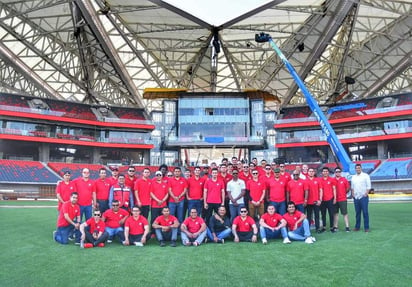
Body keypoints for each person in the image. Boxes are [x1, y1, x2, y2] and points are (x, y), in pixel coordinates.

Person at [351, 164, 371, 232]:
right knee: (357, 213)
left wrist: (366, 193)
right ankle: (357, 227)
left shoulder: (365, 176)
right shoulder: (353, 177)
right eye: (356, 168)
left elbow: (368, 186)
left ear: (361, 168)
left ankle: (366, 227)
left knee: (365, 212)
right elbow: (352, 187)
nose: (358, 169)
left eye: (359, 168)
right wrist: (353, 194)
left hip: (363, 197)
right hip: (356, 197)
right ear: (355, 169)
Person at [319, 167, 337, 233]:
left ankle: (332, 227)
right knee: (323, 214)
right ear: (322, 173)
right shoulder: (320, 180)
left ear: (328, 172)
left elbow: (334, 189)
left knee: (331, 214)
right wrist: (320, 199)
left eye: (326, 171)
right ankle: (324, 227)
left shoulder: (332, 180)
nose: (325, 172)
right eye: (324, 171)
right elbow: (320, 190)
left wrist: (335, 198)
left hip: (330, 199)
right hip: (323, 200)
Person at [333, 167, 351, 232]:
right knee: (335, 213)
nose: (338, 173)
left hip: (342, 199)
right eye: (336, 172)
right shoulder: (333, 180)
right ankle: (335, 226)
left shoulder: (344, 179)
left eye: (339, 172)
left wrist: (343, 193)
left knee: (344, 213)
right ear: (335, 173)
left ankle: (347, 226)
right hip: (335, 199)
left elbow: (348, 188)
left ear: (341, 172)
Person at [306, 168, 322, 233]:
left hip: (316, 201)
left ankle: (317, 228)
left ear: (314, 172)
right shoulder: (305, 181)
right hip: (308, 202)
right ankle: (308, 228)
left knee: (317, 215)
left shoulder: (318, 180)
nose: (311, 172)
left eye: (312, 171)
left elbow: (320, 190)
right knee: (309, 216)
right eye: (310, 171)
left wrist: (320, 200)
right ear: (308, 172)